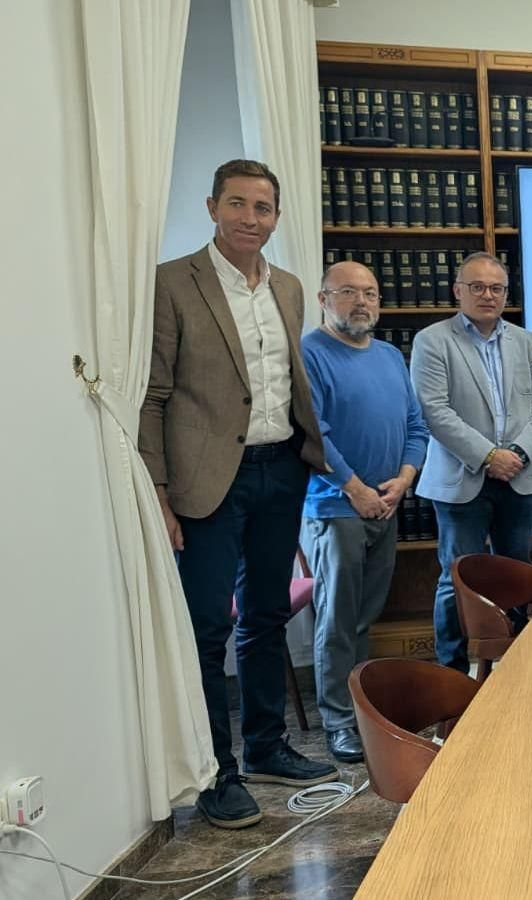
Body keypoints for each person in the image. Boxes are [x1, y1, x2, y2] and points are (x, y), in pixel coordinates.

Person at [139, 159, 337, 829]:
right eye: (237, 204)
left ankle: (265, 745)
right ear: (211, 206)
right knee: (207, 628)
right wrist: (159, 495)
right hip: (207, 482)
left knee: (265, 615)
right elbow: (155, 395)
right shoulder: (172, 283)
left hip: (281, 470)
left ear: (277, 216)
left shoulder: (287, 286)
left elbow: (287, 379)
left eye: (262, 207)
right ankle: (215, 773)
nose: (250, 218)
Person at [300, 260, 428, 763]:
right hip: (338, 507)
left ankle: (363, 709)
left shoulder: (390, 356)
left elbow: (415, 425)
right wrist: (355, 489)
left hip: (386, 504)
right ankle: (339, 721)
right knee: (337, 617)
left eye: (371, 293)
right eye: (348, 292)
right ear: (323, 298)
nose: (362, 302)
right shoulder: (310, 354)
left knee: (365, 615)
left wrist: (405, 478)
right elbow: (316, 434)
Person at [411, 252, 532, 672]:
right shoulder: (433, 340)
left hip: (519, 476)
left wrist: (517, 454)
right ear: (458, 291)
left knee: (516, 575)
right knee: (457, 578)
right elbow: (434, 411)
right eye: (477, 287)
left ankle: (513, 666)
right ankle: (452, 673)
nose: (487, 295)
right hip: (462, 478)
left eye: (496, 288)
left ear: (506, 294)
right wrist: (488, 456)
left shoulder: (525, 341)